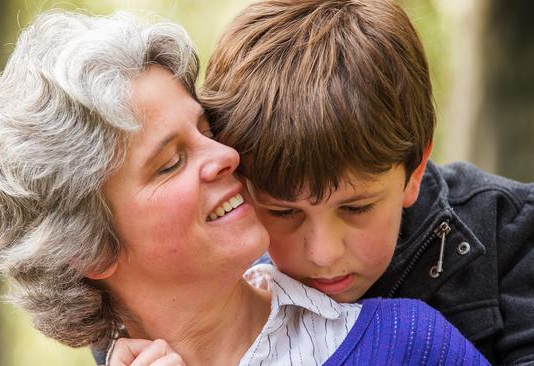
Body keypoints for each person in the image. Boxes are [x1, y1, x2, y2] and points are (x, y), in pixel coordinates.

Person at [0, 8, 489, 366]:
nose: (227, 156)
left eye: (204, 130)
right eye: (170, 162)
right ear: (90, 248)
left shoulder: (405, 341)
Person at [197, 0, 534, 364]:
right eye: (283, 212)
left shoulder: (513, 236)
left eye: (356, 208)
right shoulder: (237, 280)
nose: (323, 255)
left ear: (414, 170)